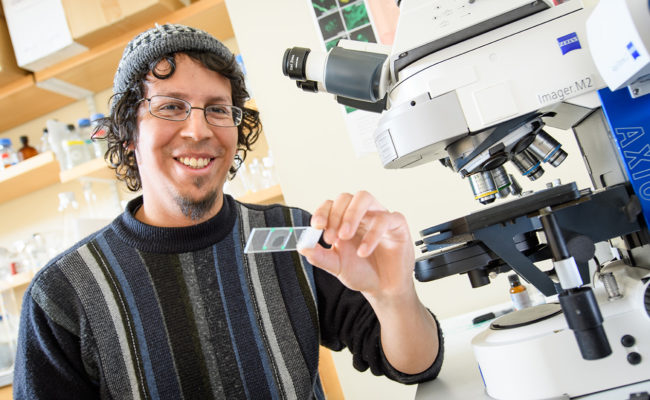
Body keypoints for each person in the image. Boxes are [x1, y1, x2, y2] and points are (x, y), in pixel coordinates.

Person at [13, 24, 443, 399]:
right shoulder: (63, 293)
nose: (199, 129)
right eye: (171, 106)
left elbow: (415, 365)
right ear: (128, 133)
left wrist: (393, 296)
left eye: (218, 109)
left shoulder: (293, 236)